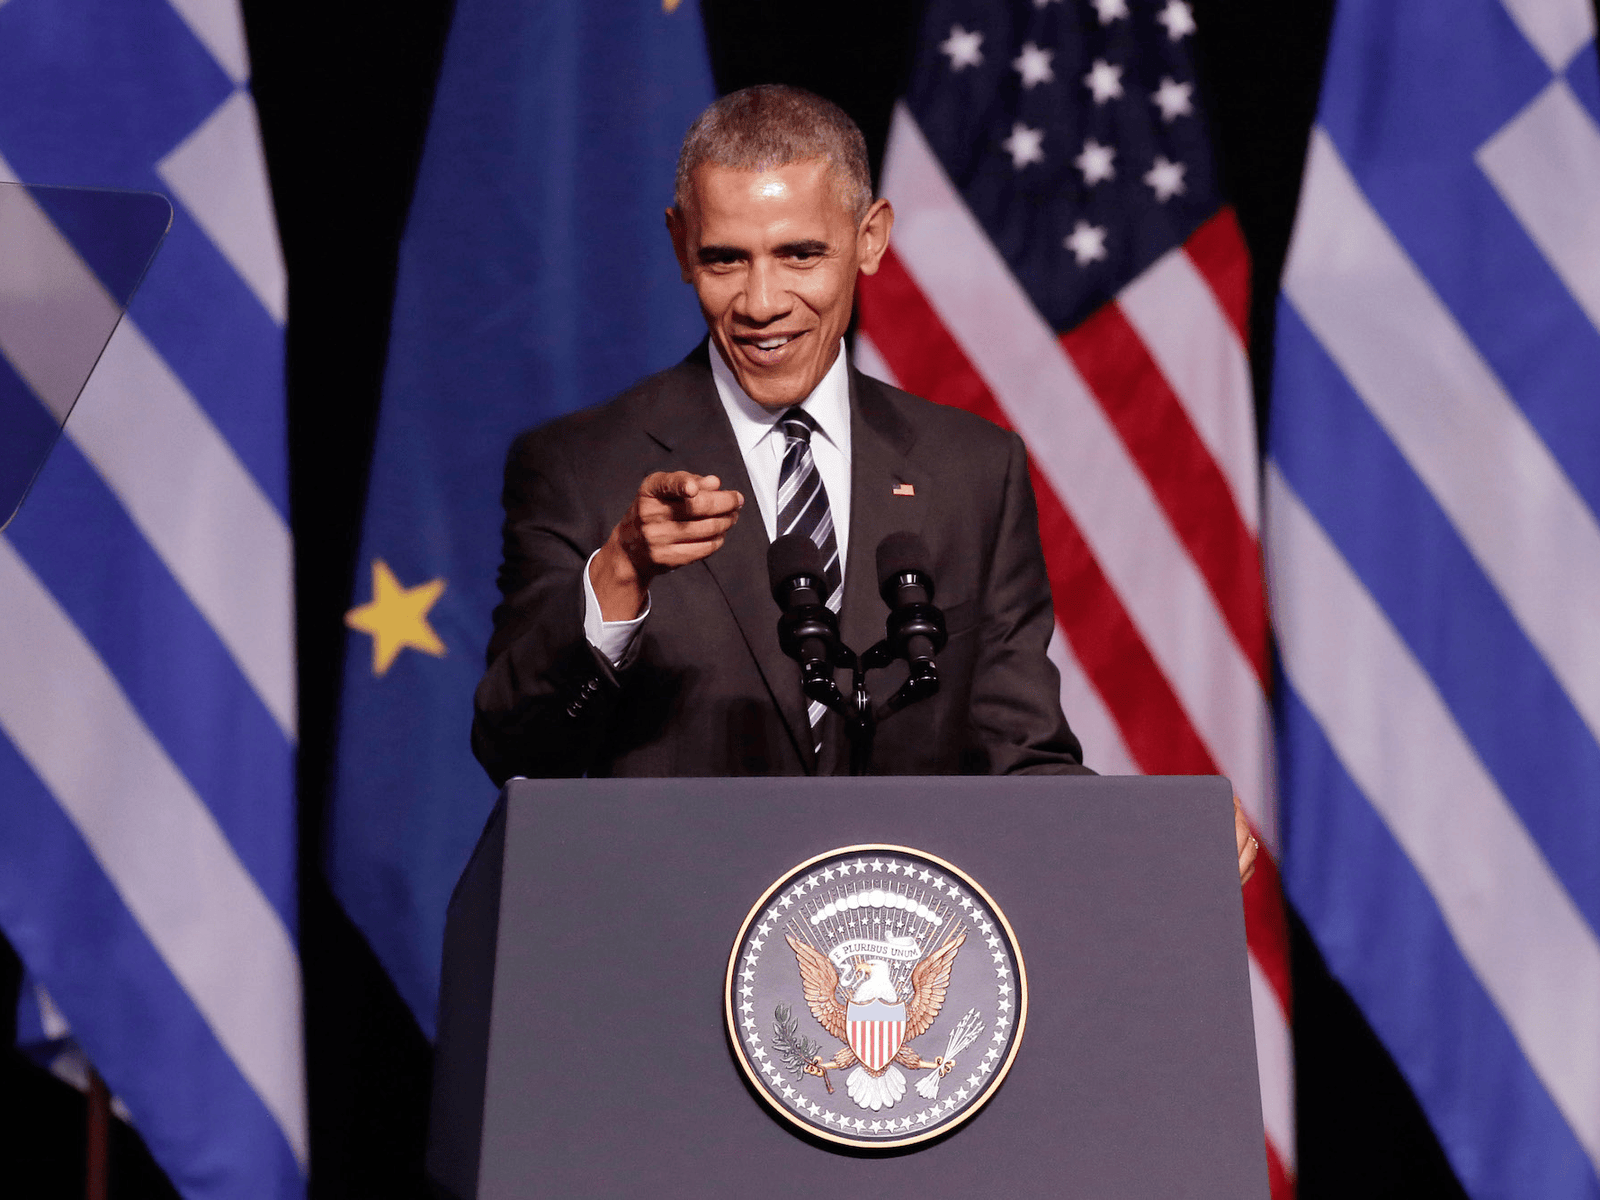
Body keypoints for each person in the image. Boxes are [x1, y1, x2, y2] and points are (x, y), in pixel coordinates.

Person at [469, 85, 1259, 879]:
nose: (762, 303)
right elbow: (517, 749)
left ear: (870, 238)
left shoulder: (973, 472)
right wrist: (618, 576)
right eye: (725, 259)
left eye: (800, 254)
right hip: (671, 928)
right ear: (681, 247)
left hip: (900, 942)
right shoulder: (580, 467)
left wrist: (1155, 832)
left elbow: (1018, 760)